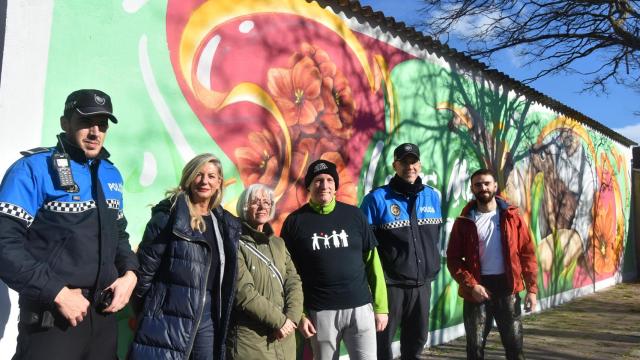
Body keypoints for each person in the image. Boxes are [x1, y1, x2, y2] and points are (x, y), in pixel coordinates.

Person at [0, 89, 139, 359]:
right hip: (52, 318)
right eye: (86, 122)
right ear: (65, 123)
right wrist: (57, 293)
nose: (95, 132)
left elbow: (119, 236)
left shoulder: (111, 173)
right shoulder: (33, 168)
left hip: (103, 320)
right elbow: (4, 244)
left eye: (102, 124)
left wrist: (130, 275)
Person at [129, 153, 240, 360]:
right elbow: (144, 270)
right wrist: (150, 311)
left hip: (208, 317)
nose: (204, 181)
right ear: (189, 177)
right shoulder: (170, 214)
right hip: (169, 313)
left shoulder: (223, 223)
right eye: (199, 174)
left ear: (219, 183)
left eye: (211, 176)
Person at [280, 159, 388, 360]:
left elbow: (373, 263)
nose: (324, 185)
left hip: (360, 309)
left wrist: (381, 307)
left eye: (329, 180)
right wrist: (301, 315)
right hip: (320, 313)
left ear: (336, 186)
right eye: (318, 180)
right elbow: (288, 274)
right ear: (309, 186)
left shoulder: (355, 215)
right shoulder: (294, 222)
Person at [360, 143, 443, 360]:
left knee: (416, 342)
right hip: (390, 286)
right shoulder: (376, 199)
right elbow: (364, 246)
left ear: (420, 164)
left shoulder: (432, 197)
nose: (410, 166)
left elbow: (435, 238)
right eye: (404, 162)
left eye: (413, 161)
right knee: (382, 343)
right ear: (395, 165)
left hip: (422, 285)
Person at [447, 168, 538, 360]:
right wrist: (471, 285)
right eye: (478, 184)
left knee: (514, 347)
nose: (483, 188)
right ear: (472, 188)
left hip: (508, 288)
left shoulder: (512, 217)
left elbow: (527, 254)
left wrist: (532, 289)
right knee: (475, 348)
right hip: (477, 290)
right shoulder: (464, 221)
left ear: (495, 186)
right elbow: (453, 259)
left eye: (487, 183)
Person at [227, 184, 303, 360]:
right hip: (250, 342)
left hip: (284, 339)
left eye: (267, 202)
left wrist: (291, 318)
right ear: (244, 207)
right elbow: (244, 292)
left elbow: (294, 281)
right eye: (255, 202)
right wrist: (280, 321)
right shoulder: (235, 243)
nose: (262, 207)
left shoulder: (279, 244)